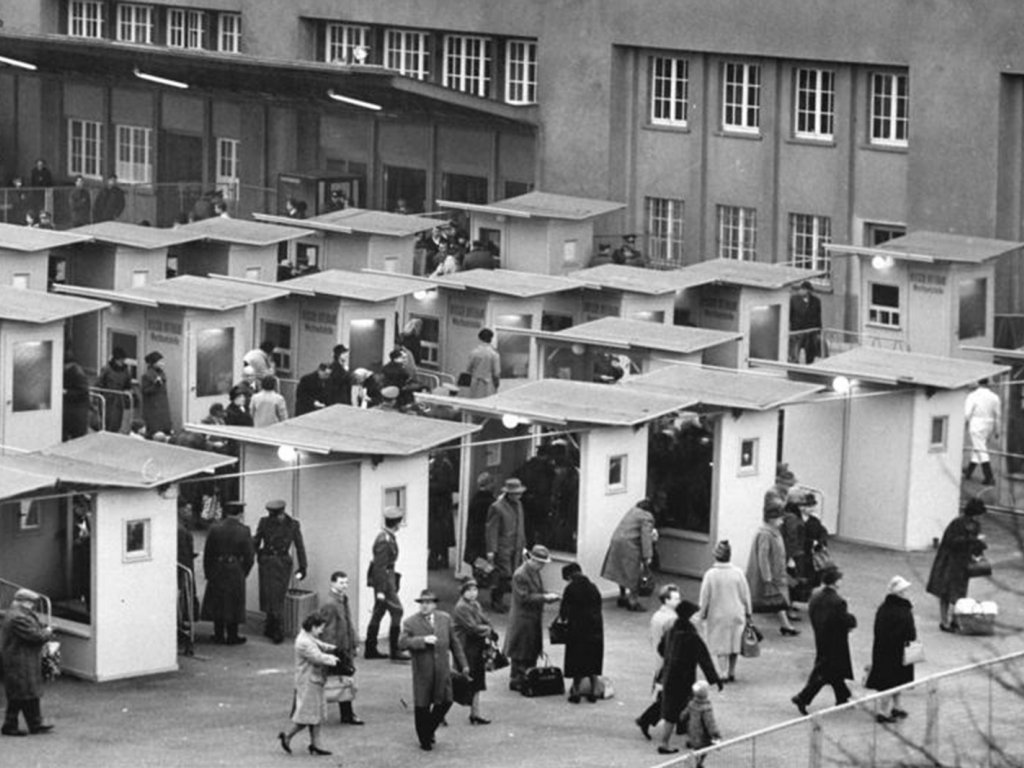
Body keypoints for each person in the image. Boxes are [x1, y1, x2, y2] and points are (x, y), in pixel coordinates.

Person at [398, 589, 468, 751]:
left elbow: (455, 643)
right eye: (422, 603)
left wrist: (463, 664)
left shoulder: (445, 619)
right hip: (423, 671)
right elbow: (402, 643)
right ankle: (424, 739)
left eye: (428, 603)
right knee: (422, 705)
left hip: (443, 669)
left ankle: (428, 730)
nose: (424, 606)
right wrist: (422, 640)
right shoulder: (410, 622)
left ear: (435, 604)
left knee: (446, 701)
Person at [657, 600, 722, 755]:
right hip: (685, 679)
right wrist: (715, 679)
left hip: (669, 675)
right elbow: (704, 659)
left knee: (671, 712)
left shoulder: (671, 630)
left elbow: (661, 648)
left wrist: (668, 659)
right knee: (688, 709)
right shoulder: (691, 635)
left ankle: (667, 742)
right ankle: (676, 741)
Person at [790, 566, 857, 715]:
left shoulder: (816, 597)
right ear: (835, 582)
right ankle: (803, 697)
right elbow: (843, 619)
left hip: (821, 637)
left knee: (833, 671)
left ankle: (842, 697)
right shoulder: (838, 601)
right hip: (836, 640)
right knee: (826, 671)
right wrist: (852, 621)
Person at [278, 613, 336, 756]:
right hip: (309, 682)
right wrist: (332, 658)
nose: (321, 631)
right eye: (320, 628)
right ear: (313, 627)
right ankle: (288, 736)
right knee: (307, 715)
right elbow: (317, 657)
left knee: (314, 714)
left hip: (312, 681)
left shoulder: (307, 637)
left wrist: (332, 648)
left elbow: (319, 645)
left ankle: (316, 744)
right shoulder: (304, 642)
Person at [926, 497, 988, 632]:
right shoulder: (958, 523)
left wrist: (980, 546)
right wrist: (973, 540)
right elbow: (952, 541)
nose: (981, 518)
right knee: (946, 592)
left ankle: (954, 620)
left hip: (962, 562)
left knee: (959, 593)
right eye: (979, 514)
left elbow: (973, 545)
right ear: (974, 513)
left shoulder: (975, 525)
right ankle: (944, 621)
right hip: (950, 561)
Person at [504, 544, 560, 691]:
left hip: (531, 617)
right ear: (533, 560)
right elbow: (524, 597)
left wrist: (546, 595)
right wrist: (545, 597)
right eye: (541, 563)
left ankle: (526, 676)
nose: (542, 566)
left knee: (529, 648)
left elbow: (537, 590)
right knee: (521, 650)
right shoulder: (521, 574)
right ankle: (518, 678)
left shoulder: (533, 572)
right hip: (523, 618)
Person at [1, 588, 56, 736]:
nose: (33, 606)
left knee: (25, 693)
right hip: (21, 660)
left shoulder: (15, 614)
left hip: (21, 658)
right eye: (31, 603)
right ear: (24, 602)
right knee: (23, 693)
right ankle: (14, 725)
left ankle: (33, 724)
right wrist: (48, 632)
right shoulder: (19, 617)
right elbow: (35, 636)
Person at [253, 499, 308, 644]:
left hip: (282, 562)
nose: (273, 517)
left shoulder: (293, 525)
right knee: (268, 594)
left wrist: (303, 566)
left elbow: (299, 546)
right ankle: (270, 625)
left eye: (275, 515)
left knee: (277, 595)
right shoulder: (264, 522)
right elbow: (256, 541)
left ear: (282, 512)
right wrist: (257, 555)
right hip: (267, 561)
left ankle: (277, 628)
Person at [200, 501, 255, 645]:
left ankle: (218, 634)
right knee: (234, 602)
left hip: (217, 567)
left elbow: (208, 553)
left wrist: (208, 571)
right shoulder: (244, 530)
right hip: (234, 568)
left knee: (218, 601)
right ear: (240, 514)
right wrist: (243, 572)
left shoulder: (215, 528)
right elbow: (249, 556)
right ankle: (232, 636)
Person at [699, 540, 752, 683]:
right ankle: (732, 671)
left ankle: (722, 672)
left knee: (721, 645)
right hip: (736, 613)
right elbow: (745, 595)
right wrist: (748, 612)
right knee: (735, 643)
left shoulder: (710, 574)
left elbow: (705, 597)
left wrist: (702, 613)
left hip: (717, 615)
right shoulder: (738, 573)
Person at [865, 576, 917, 724]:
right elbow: (910, 633)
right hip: (900, 651)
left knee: (892, 680)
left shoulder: (884, 608)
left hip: (883, 650)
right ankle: (883, 711)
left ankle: (896, 706)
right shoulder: (903, 610)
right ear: (900, 593)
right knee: (894, 681)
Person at [635, 584, 683, 740]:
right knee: (674, 696)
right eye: (675, 598)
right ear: (666, 600)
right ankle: (647, 719)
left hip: (659, 660)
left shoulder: (657, 616)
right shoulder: (672, 619)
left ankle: (679, 723)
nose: (679, 600)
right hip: (670, 662)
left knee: (671, 695)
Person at [365, 507, 411, 661]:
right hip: (385, 579)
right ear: (397, 523)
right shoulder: (385, 540)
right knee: (397, 611)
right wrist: (381, 590)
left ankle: (370, 648)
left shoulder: (386, 537)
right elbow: (380, 567)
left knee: (379, 612)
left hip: (387, 576)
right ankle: (395, 650)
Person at [746, 502, 799, 635]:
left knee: (777, 600)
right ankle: (748, 624)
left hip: (774, 573)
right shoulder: (766, 534)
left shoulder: (773, 532)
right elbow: (763, 557)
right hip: (768, 575)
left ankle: (786, 625)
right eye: (780, 518)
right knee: (760, 600)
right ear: (771, 519)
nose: (782, 521)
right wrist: (767, 577)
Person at [318, 571, 363, 725]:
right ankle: (347, 715)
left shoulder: (341, 599)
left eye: (346, 582)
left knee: (342, 680)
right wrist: (331, 652)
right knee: (339, 680)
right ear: (333, 583)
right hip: (338, 650)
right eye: (341, 583)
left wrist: (354, 643)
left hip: (343, 648)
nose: (344, 586)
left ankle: (347, 714)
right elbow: (328, 630)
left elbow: (348, 623)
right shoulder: (331, 603)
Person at [451, 578, 497, 725]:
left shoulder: (475, 604)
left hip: (475, 646)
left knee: (476, 680)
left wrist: (488, 627)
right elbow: (472, 628)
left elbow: (484, 619)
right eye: (469, 590)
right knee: (461, 681)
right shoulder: (461, 607)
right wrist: (488, 630)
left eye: (475, 590)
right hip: (465, 647)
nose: (472, 593)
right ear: (463, 592)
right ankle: (440, 713)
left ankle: (475, 713)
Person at [558, 562, 604, 704]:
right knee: (592, 659)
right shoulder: (593, 587)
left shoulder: (570, 588)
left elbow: (564, 612)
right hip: (595, 628)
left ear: (569, 575)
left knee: (576, 660)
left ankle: (576, 689)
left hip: (577, 629)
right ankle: (594, 690)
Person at [601, 498, 657, 611]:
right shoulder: (647, 517)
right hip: (630, 546)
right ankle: (633, 602)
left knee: (620, 571)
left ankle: (622, 596)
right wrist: (648, 556)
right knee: (634, 574)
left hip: (616, 542)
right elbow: (645, 537)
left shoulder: (632, 511)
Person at [485, 477, 528, 613]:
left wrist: (524, 545)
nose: (518, 496)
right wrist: (491, 550)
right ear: (509, 493)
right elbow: (491, 529)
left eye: (520, 493)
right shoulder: (497, 507)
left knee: (514, 574)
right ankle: (496, 600)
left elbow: (521, 525)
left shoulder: (519, 505)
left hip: (517, 546)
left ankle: (503, 600)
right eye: (516, 493)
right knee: (504, 574)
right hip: (503, 546)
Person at [963, 379, 1001, 485]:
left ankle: (989, 476)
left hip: (977, 423)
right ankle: (969, 471)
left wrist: (964, 424)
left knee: (980, 449)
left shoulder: (973, 396)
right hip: (989, 424)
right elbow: (997, 415)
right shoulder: (995, 397)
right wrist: (997, 429)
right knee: (978, 447)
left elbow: (967, 413)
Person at [427, 451, 457, 570]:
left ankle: (434, 560)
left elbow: (443, 485)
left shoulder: (443, 467)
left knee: (437, 534)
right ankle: (443, 559)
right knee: (442, 535)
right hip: (440, 505)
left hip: (440, 506)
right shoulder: (444, 465)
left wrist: (427, 484)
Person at [679, 680, 722, 763]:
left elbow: (684, 715)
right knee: (704, 748)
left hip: (692, 730)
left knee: (696, 747)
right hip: (703, 734)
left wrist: (682, 718)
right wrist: (716, 734)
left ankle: (697, 759)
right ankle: (699, 762)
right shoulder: (706, 708)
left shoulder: (692, 704)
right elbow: (710, 723)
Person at [463, 472, 496, 570]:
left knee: (477, 566)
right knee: (484, 568)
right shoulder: (489, 502)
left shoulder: (475, 499)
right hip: (483, 539)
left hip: (474, 537)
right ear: (489, 484)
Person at [96, 347, 133, 433]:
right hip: (107, 399)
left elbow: (128, 385)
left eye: (123, 360)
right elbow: (99, 383)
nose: (122, 362)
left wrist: (128, 391)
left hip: (119, 400)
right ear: (115, 359)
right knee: (106, 421)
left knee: (117, 422)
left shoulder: (126, 371)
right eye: (120, 360)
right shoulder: (107, 369)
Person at [788, 281, 823, 364]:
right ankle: (793, 367)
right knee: (794, 353)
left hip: (810, 332)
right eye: (803, 290)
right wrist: (789, 329)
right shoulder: (794, 300)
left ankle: (809, 366)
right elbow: (789, 315)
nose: (805, 292)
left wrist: (819, 331)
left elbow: (818, 316)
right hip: (797, 331)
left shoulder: (816, 301)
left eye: (808, 291)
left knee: (810, 353)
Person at [140, 351, 172, 436]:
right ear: (154, 363)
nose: (162, 363)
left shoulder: (161, 373)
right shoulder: (147, 375)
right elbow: (145, 391)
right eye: (160, 361)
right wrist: (155, 386)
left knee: (165, 426)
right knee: (155, 429)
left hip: (162, 405)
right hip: (153, 407)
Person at [62, 351, 91, 440]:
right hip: (76, 411)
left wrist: (66, 392)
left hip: (76, 411)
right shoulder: (76, 372)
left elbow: (82, 392)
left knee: (76, 437)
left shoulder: (77, 373)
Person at [466, 327, 501, 398]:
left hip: (475, 384)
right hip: (489, 385)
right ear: (491, 339)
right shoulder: (494, 354)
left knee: (474, 404)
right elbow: (496, 373)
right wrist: (497, 385)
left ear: (479, 338)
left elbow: (468, 370)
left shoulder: (474, 353)